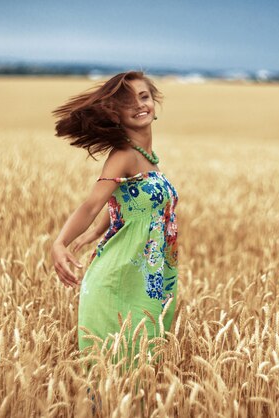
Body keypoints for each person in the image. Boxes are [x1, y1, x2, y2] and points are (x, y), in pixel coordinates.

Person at [50, 71, 179, 368]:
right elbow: (92, 202)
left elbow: (134, 202)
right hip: (121, 281)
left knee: (142, 372)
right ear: (116, 114)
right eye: (127, 102)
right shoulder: (123, 154)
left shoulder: (148, 157)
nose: (139, 105)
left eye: (144, 97)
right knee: (117, 375)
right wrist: (60, 243)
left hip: (151, 278)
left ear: (154, 103)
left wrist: (100, 228)